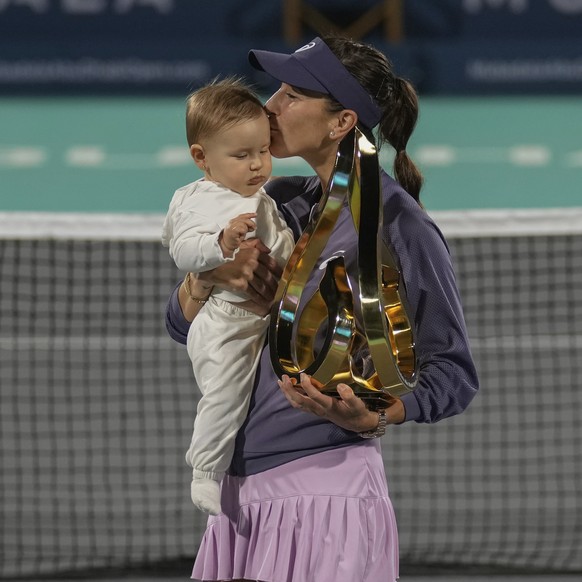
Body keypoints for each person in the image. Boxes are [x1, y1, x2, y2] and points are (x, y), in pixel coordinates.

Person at [165, 36, 479, 582]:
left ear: (341, 122)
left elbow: (452, 373)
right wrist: (205, 279)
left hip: (325, 492)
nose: (270, 106)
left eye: (291, 94)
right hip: (240, 497)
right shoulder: (277, 202)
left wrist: (375, 415)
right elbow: (178, 324)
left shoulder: (398, 226)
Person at [161, 78, 295, 515]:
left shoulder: (255, 194)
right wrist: (220, 246)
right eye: (242, 156)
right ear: (201, 157)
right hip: (225, 321)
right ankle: (204, 471)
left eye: (263, 151)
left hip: (263, 320)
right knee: (225, 394)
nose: (258, 164)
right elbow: (182, 249)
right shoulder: (206, 202)